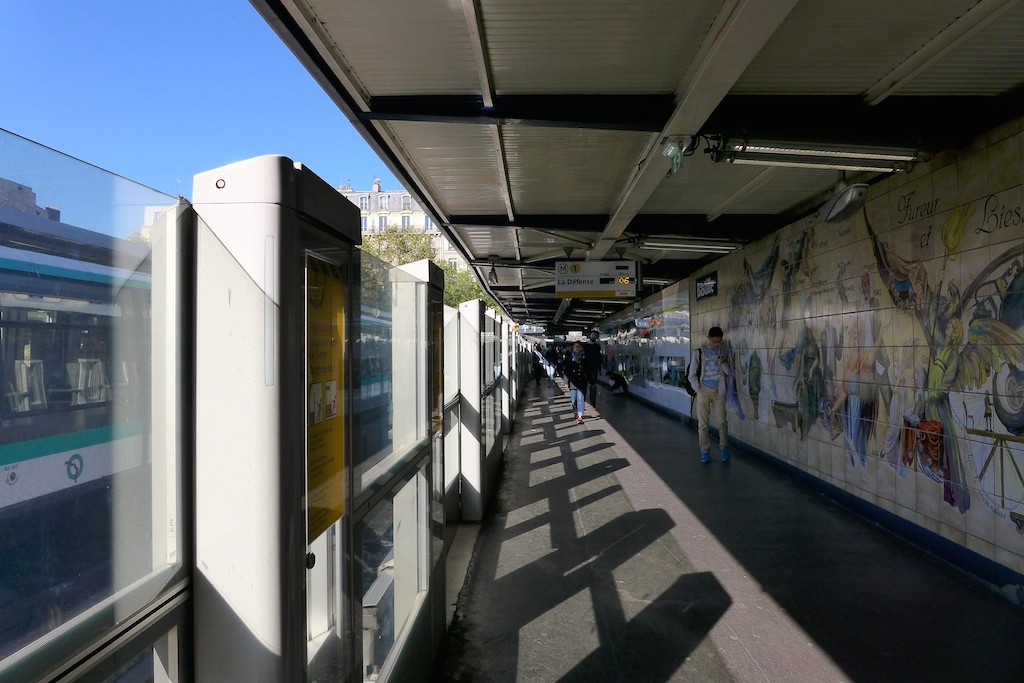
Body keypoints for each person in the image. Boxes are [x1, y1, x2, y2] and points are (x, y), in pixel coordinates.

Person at [688, 326, 733, 463]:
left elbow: (729, 372)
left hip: (719, 391)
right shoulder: (699, 353)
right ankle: (704, 451)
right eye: (714, 341)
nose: (716, 344)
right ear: (708, 339)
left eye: (719, 341)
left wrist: (723, 362)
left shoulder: (723, 351)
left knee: (722, 422)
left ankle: (724, 448)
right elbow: (692, 375)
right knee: (703, 424)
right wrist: (698, 390)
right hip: (703, 391)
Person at [562, 342, 589, 424]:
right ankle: (576, 411)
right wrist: (566, 382)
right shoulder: (569, 359)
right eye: (576, 346)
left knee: (580, 399)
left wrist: (591, 381)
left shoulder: (584, 359)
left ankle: (580, 416)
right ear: (573, 348)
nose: (577, 348)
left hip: (582, 382)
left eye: (579, 346)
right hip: (573, 383)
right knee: (573, 400)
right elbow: (566, 371)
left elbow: (588, 371)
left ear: (581, 348)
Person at [581, 329, 602, 412]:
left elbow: (598, 358)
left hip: (594, 368)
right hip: (585, 369)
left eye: (595, 335)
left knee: (593, 386)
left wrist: (599, 368)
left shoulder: (597, 346)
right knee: (584, 387)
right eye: (592, 335)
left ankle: (593, 404)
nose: (594, 336)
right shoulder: (585, 346)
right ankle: (582, 403)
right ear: (589, 336)